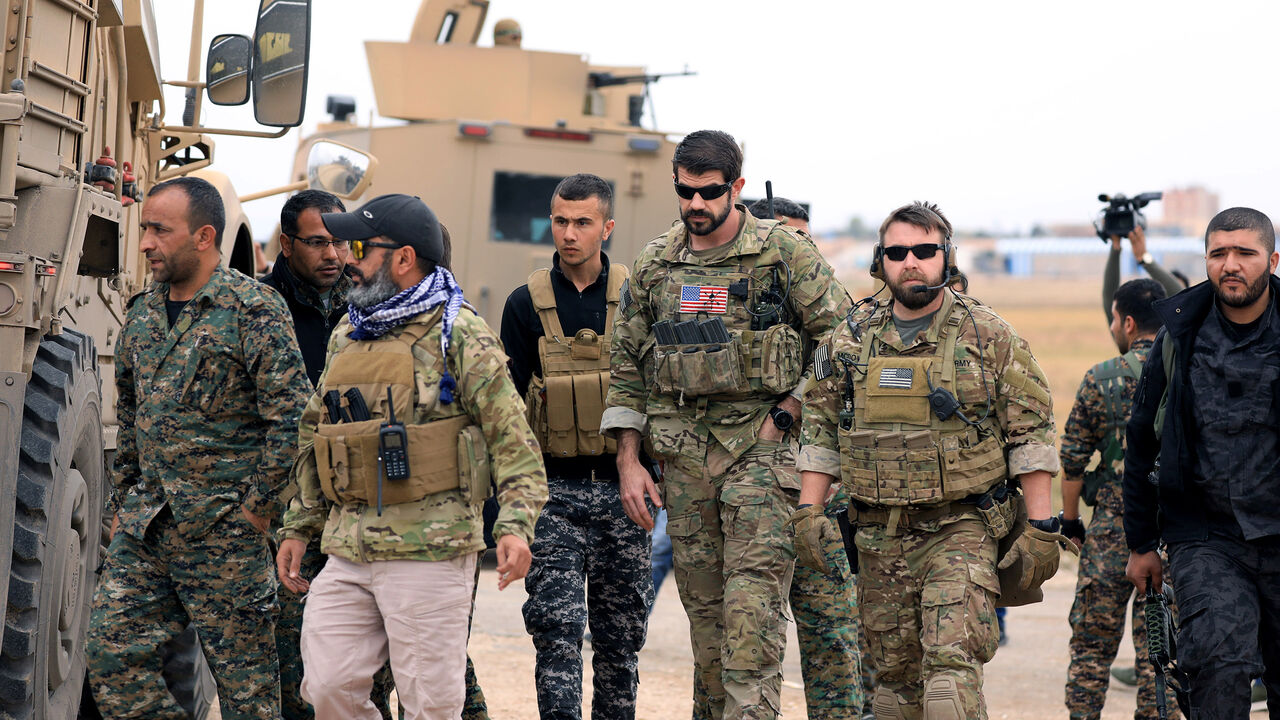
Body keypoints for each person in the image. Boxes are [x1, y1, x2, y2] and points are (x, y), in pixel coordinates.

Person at [602, 129, 852, 719]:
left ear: (737, 187)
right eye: (685, 192)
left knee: (751, 627)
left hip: (762, 462)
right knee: (709, 635)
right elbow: (628, 365)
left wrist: (790, 412)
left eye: (709, 193)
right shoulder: (658, 264)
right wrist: (629, 460)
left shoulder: (783, 255)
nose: (695, 205)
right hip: (685, 467)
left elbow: (843, 341)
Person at [275, 193, 548, 720]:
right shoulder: (348, 331)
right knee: (327, 685)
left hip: (430, 550)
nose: (347, 258)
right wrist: (298, 525)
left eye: (358, 245)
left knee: (430, 704)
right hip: (350, 548)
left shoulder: (459, 333)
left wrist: (515, 525)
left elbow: (513, 439)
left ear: (403, 258)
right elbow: (318, 432)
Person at [794, 201, 1064, 719]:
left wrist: (1043, 525)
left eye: (924, 250)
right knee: (894, 690)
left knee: (949, 679)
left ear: (947, 257)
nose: (911, 261)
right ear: (881, 260)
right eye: (897, 252)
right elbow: (821, 429)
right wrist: (808, 513)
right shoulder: (850, 337)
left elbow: (1030, 433)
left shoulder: (988, 334)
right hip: (877, 534)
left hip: (961, 529)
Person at [86, 176, 313, 719]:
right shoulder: (140, 314)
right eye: (144, 229)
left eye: (160, 230)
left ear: (205, 236)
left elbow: (293, 418)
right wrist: (123, 506)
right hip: (149, 529)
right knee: (110, 656)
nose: (145, 243)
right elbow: (134, 419)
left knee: (248, 696)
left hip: (226, 533)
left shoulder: (253, 309)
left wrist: (257, 513)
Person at [499, 173, 653, 720]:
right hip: (553, 495)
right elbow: (509, 410)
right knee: (556, 634)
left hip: (624, 495)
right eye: (560, 221)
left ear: (606, 227)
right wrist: (509, 508)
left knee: (620, 643)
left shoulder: (640, 299)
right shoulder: (524, 305)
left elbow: (659, 395)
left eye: (582, 222)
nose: (569, 233)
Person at [1124, 206, 1280, 719]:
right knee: (1217, 669)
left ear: (1272, 260)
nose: (1230, 264)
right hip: (1208, 539)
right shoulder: (1179, 336)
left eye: (1245, 253)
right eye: (1218, 254)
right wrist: (1142, 543)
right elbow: (1141, 438)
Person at [746, 199, 867, 718]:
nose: (802, 252)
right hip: (752, 492)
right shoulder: (733, 306)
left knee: (834, 635)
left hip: (820, 501)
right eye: (788, 239)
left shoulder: (840, 323)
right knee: (750, 638)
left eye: (807, 240)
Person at [1060, 278, 1180, 720]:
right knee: (1161, 650)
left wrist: (1073, 521)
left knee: (1091, 647)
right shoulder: (1183, 370)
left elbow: (1072, 459)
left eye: (1113, 318)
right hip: (1170, 533)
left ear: (1128, 324)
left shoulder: (1100, 378)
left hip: (1110, 532)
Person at [1102, 225, 1185, 326]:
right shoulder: (1140, 331)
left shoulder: (1177, 336)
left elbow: (1183, 299)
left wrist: (1144, 258)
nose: (1169, 303)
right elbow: (1113, 305)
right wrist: (1116, 247)